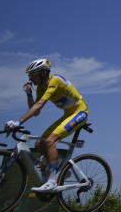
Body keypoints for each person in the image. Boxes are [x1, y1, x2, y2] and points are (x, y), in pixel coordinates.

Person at [5, 59, 88, 193]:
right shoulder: (40, 88)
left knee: (49, 141)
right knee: (39, 144)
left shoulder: (54, 81)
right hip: (68, 114)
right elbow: (36, 111)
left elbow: (40, 105)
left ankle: (52, 181)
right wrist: (29, 94)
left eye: (33, 75)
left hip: (80, 112)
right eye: (29, 76)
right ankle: (59, 164)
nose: (31, 78)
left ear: (43, 73)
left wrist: (18, 122)